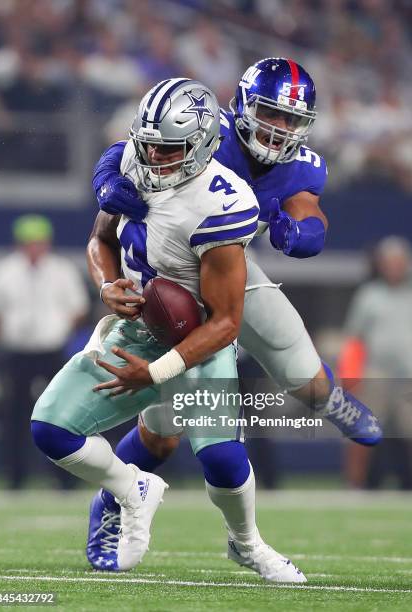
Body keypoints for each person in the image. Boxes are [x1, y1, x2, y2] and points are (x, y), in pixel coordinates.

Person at [86, 59, 382, 570]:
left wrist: (308, 230)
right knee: (162, 431)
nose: (281, 128)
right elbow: (124, 152)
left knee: (304, 378)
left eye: (292, 120)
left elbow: (307, 206)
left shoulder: (301, 164)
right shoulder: (202, 126)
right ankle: (112, 501)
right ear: (242, 104)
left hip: (230, 273)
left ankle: (332, 400)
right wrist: (107, 180)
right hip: (169, 285)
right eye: (271, 113)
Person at [31, 78, 305, 582]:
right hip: (136, 328)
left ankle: (249, 545)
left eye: (168, 147)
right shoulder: (136, 160)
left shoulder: (223, 203)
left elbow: (225, 323)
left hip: (199, 340)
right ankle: (132, 488)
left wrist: (154, 373)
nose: (153, 155)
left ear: (201, 145)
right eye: (148, 142)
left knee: (221, 460)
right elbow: (100, 238)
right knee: (50, 429)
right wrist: (108, 283)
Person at [0, 214, 89, 489]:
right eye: (29, 243)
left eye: (38, 242)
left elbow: (79, 309)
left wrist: (59, 329)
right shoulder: (4, 271)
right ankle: (14, 478)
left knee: (59, 414)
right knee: (14, 415)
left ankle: (64, 480)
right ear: (20, 244)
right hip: (16, 352)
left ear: (47, 243)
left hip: (51, 351)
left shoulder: (62, 270)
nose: (34, 247)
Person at [338, 236, 412, 489]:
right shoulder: (369, 295)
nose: (394, 267)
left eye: (398, 262)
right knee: (360, 432)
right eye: (389, 262)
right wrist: (350, 376)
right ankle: (354, 486)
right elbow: (354, 338)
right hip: (375, 374)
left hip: (409, 377)